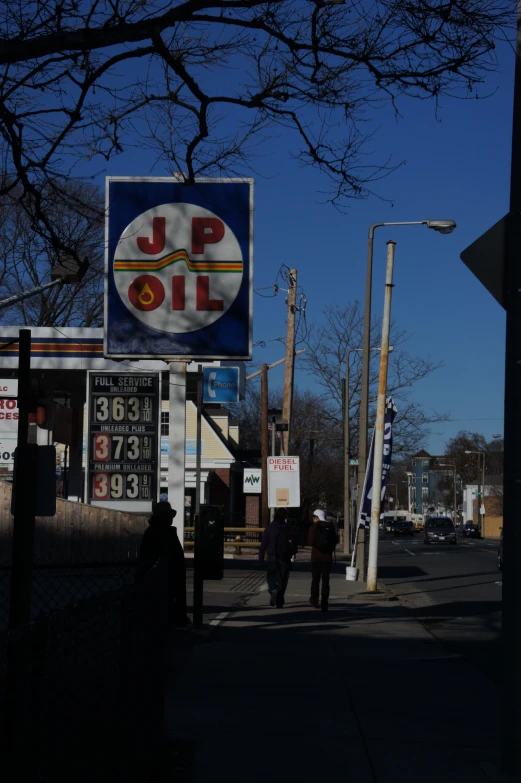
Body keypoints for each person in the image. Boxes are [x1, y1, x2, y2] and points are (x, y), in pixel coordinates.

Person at [136, 500, 188, 626]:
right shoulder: (157, 533)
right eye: (168, 516)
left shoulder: (164, 532)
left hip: (170, 576)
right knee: (164, 606)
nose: (170, 519)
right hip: (164, 578)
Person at [259, 508, 298, 608]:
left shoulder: (270, 527)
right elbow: (293, 542)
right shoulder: (288, 527)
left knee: (271, 576)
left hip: (272, 556)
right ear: (285, 516)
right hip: (285, 557)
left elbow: (264, 543)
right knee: (283, 580)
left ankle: (273, 590)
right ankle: (280, 601)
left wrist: (261, 557)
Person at [307, 508, 338, 612]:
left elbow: (310, 541)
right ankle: (325, 601)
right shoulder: (330, 526)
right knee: (326, 580)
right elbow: (335, 541)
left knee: (315, 580)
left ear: (316, 517)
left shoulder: (314, 527)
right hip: (327, 558)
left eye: (313, 517)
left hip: (316, 558)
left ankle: (314, 600)